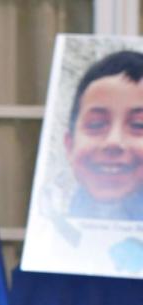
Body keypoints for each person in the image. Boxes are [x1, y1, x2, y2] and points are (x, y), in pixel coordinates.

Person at [64, 49, 143, 220]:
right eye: (96, 124)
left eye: (138, 125)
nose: (113, 142)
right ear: (69, 146)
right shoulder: (46, 232)